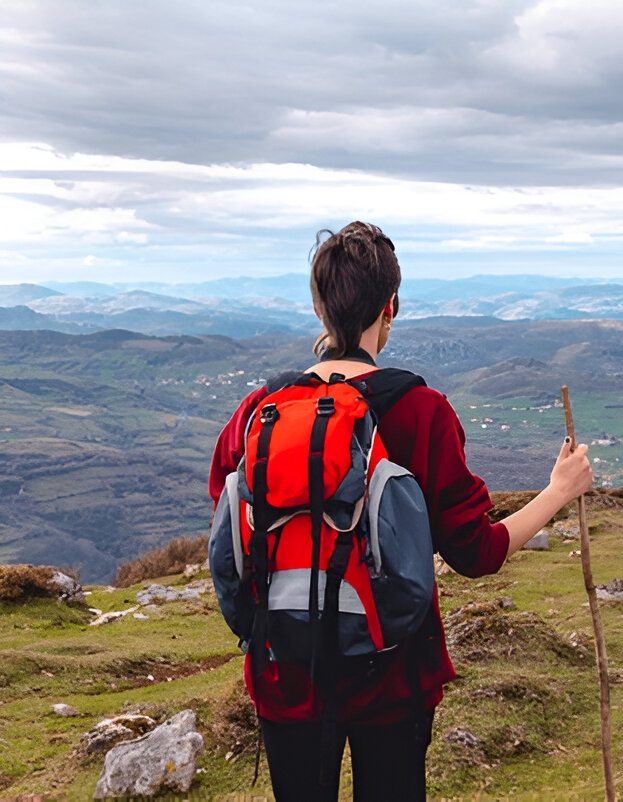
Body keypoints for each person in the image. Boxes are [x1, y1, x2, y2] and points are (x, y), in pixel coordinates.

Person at [208, 221, 593, 800]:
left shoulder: (259, 411)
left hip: (283, 667)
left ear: (318, 308)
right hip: (393, 675)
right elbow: (477, 551)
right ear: (392, 306)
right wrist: (558, 491)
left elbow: (229, 512)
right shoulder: (421, 411)